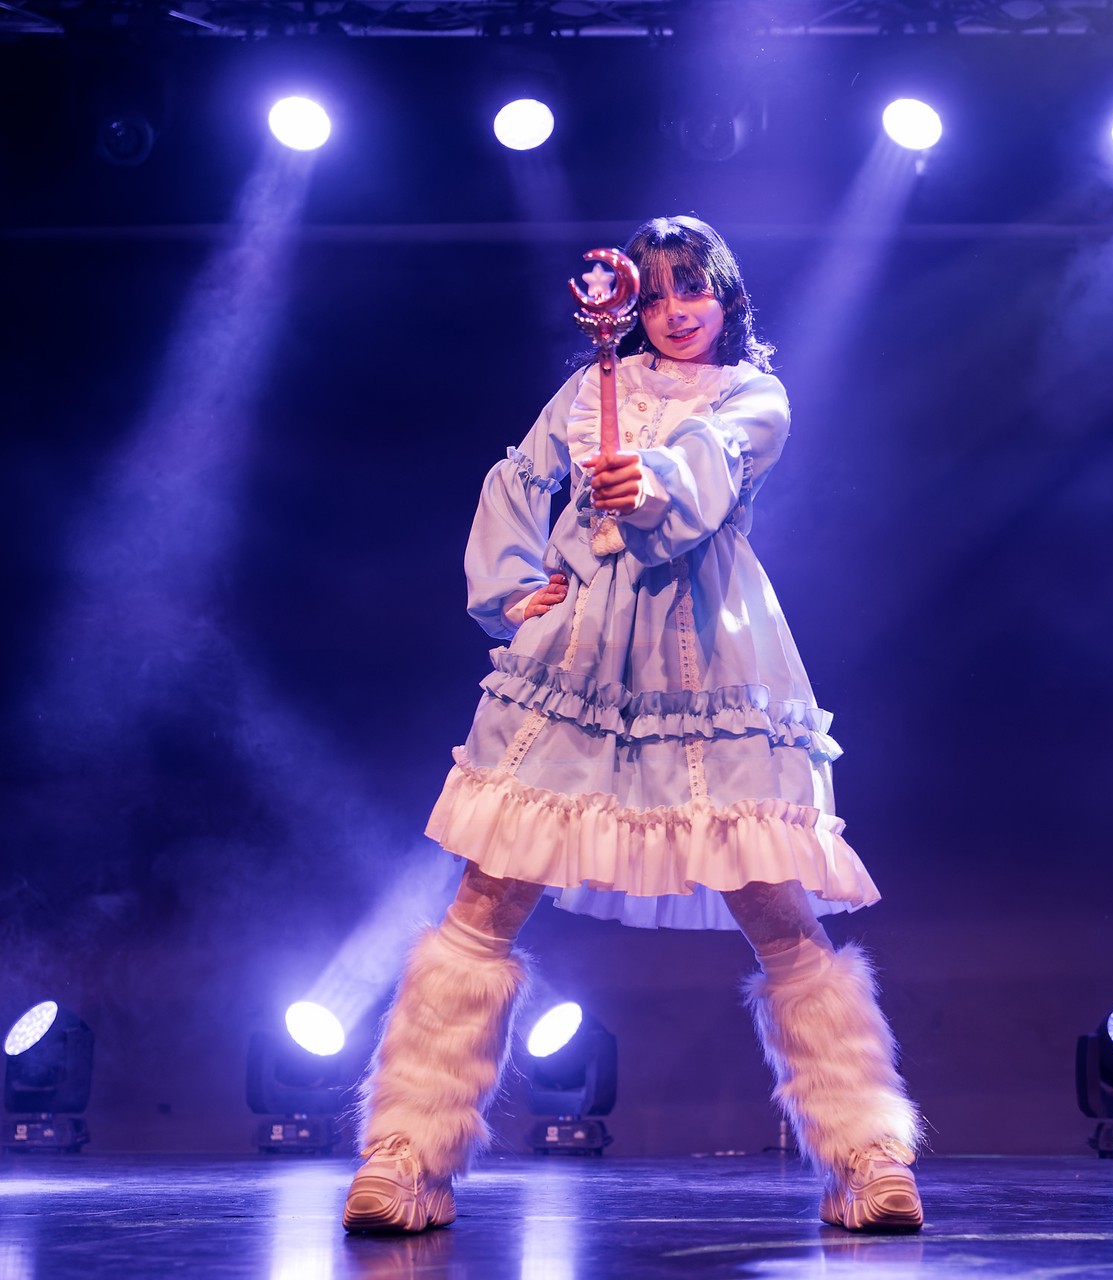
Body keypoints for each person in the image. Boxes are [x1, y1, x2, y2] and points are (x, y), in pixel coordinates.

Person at [343, 216, 922, 1236]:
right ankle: (406, 1155)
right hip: (576, 657)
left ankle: (868, 1156)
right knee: (489, 892)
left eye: (689, 288)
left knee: (775, 903)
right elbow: (520, 479)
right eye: (651, 295)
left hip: (704, 660)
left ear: (726, 296)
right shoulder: (588, 387)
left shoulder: (754, 395)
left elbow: (706, 471)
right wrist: (512, 589)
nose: (671, 311)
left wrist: (646, 484)